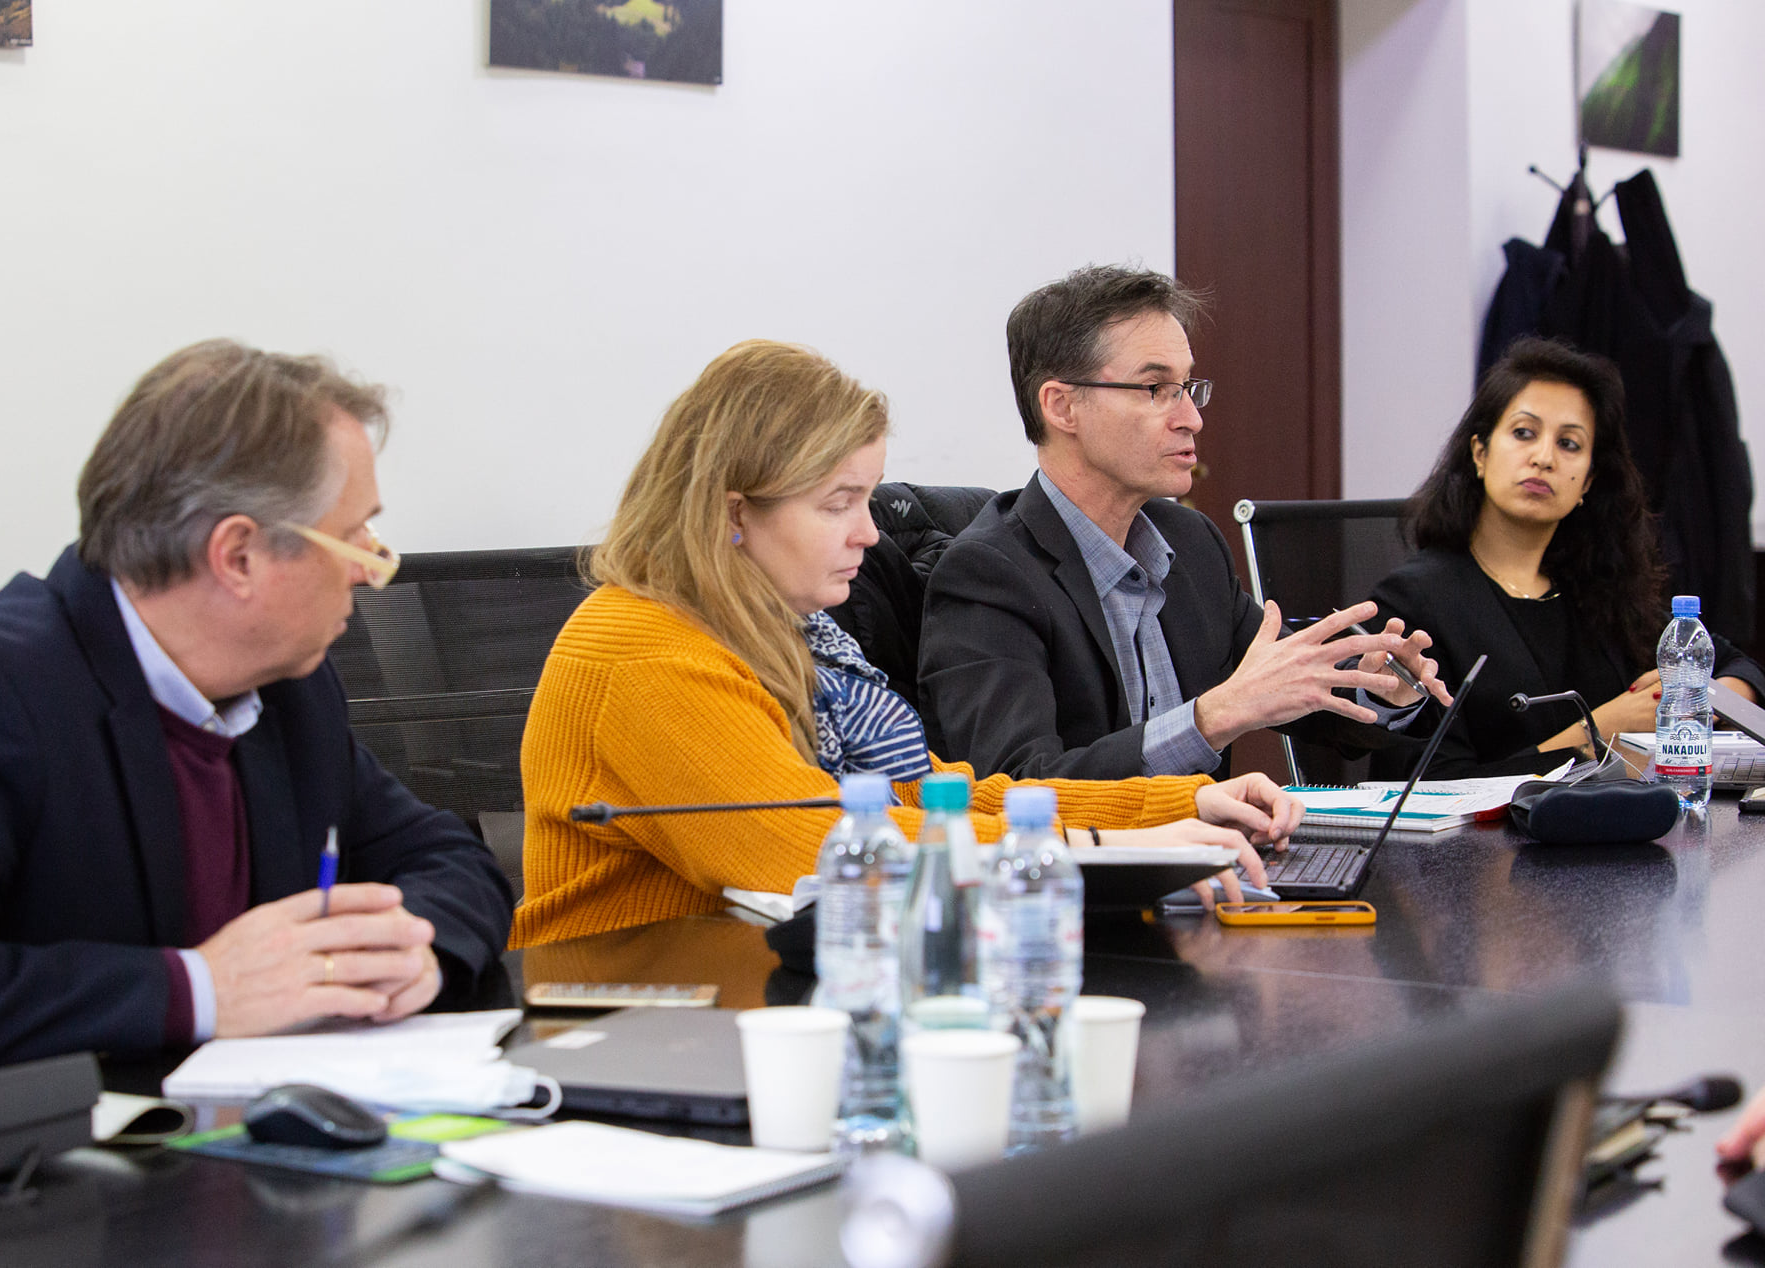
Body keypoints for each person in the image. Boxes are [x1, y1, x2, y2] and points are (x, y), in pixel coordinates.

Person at [0, 341, 513, 1098]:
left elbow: (452, 859)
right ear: (238, 556)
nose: (372, 570)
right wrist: (198, 989)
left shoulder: (288, 686)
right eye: (351, 537)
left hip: (196, 1132)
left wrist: (414, 950)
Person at [512, 339, 1305, 949]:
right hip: (633, 1018)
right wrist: (1104, 848)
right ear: (732, 514)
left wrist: (1174, 806)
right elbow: (819, 846)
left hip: (766, 993)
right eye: (838, 504)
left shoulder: (791, 635)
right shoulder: (647, 653)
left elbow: (932, 800)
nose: (869, 534)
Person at [918, 265, 1449, 783]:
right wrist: (1211, 718)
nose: (1191, 418)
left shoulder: (1190, 544)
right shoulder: (986, 576)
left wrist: (1378, 686)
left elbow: (1292, 690)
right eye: (1156, 388)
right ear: (1062, 407)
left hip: (1213, 845)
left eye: (1188, 387)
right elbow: (1016, 786)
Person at [1369, 337, 1765, 780]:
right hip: (1488, 827)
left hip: (1619, 819)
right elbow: (1433, 784)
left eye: (1569, 444)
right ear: (1480, 453)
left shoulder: (1596, 588)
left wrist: (1698, 699)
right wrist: (1597, 733)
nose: (1544, 458)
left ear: (1588, 482)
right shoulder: (1413, 602)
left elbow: (1737, 666)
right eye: (1524, 433)